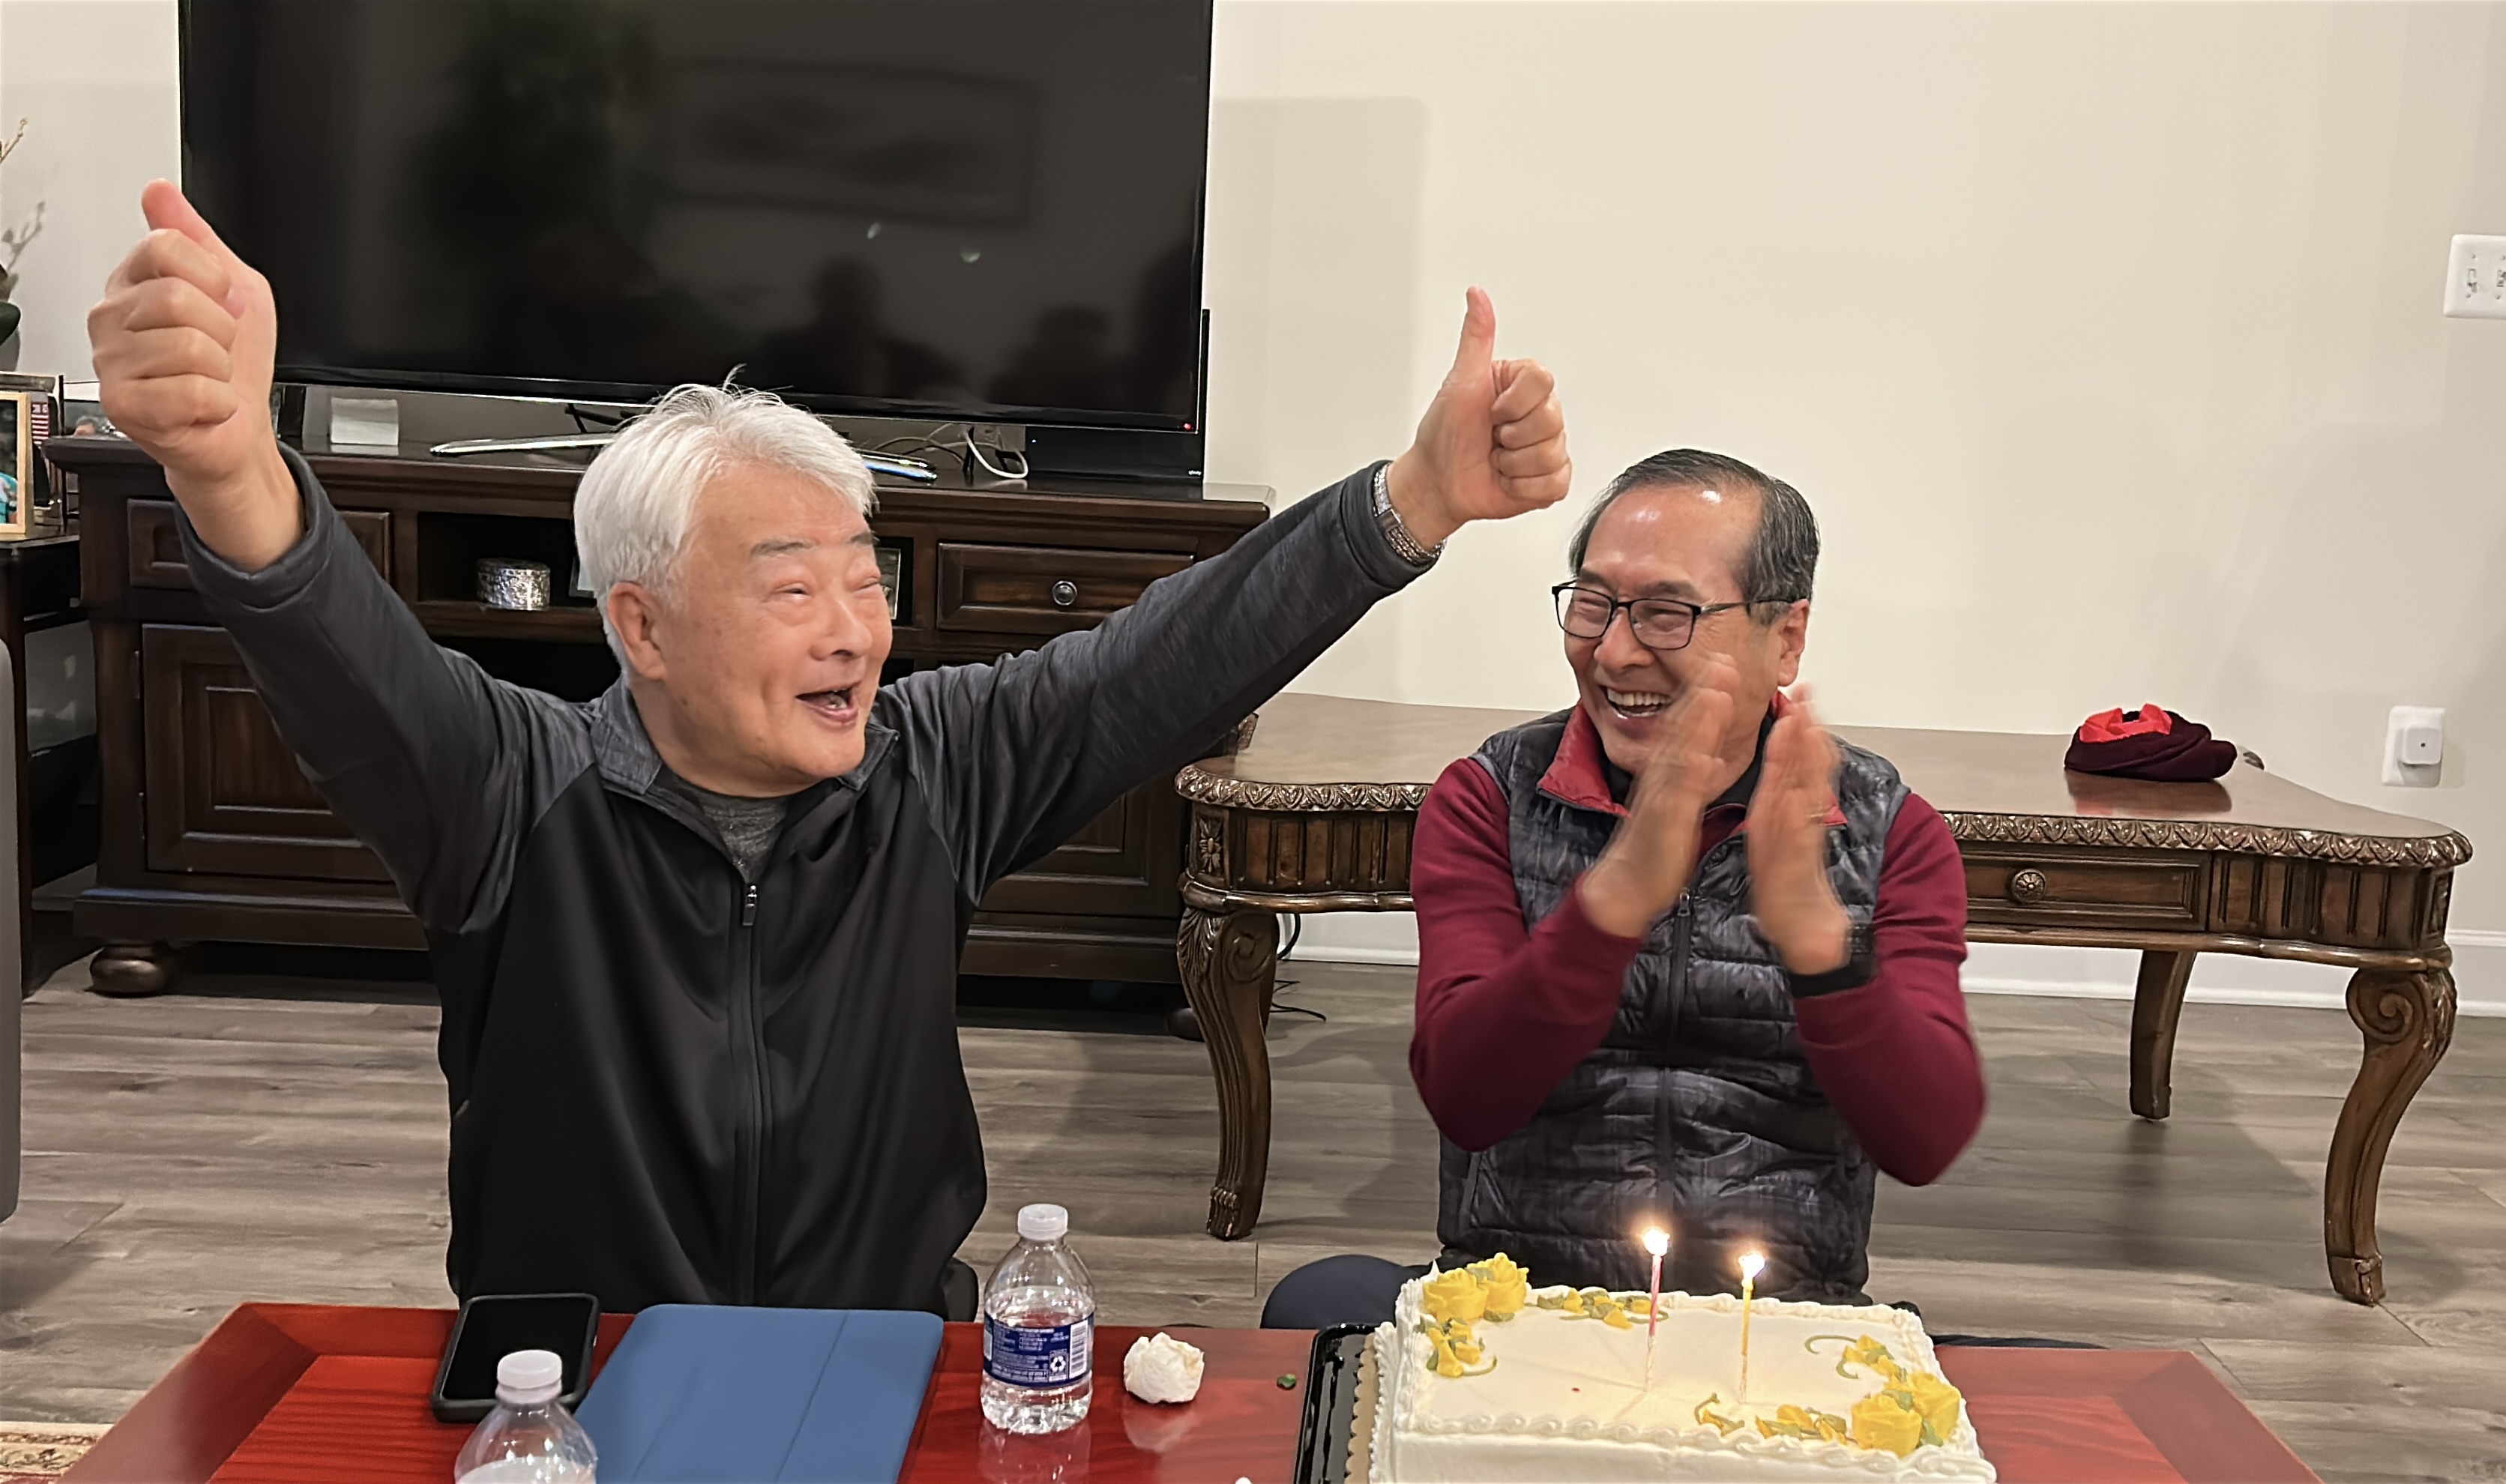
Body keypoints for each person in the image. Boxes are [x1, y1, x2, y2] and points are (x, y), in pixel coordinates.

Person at [87, 180, 1570, 1317]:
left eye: (865, 581)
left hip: (887, 1358)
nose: (856, 631)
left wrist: (1409, 504)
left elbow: (1167, 660)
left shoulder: (931, 769)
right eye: (792, 590)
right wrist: (227, 465)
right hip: (582, 1383)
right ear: (642, 623)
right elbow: (346, 655)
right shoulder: (511, 794)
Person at [1264, 449, 1985, 1328]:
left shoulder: (1890, 830)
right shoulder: (1489, 797)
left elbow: (1923, 1139)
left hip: (1776, 1326)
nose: (1612, 651)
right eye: (1593, 603)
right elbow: (1466, 1099)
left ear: (1785, 637)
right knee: (1315, 1306)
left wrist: (1821, 950)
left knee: (2074, 1390)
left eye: (1666, 614)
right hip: (1518, 1310)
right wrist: (1608, 909)